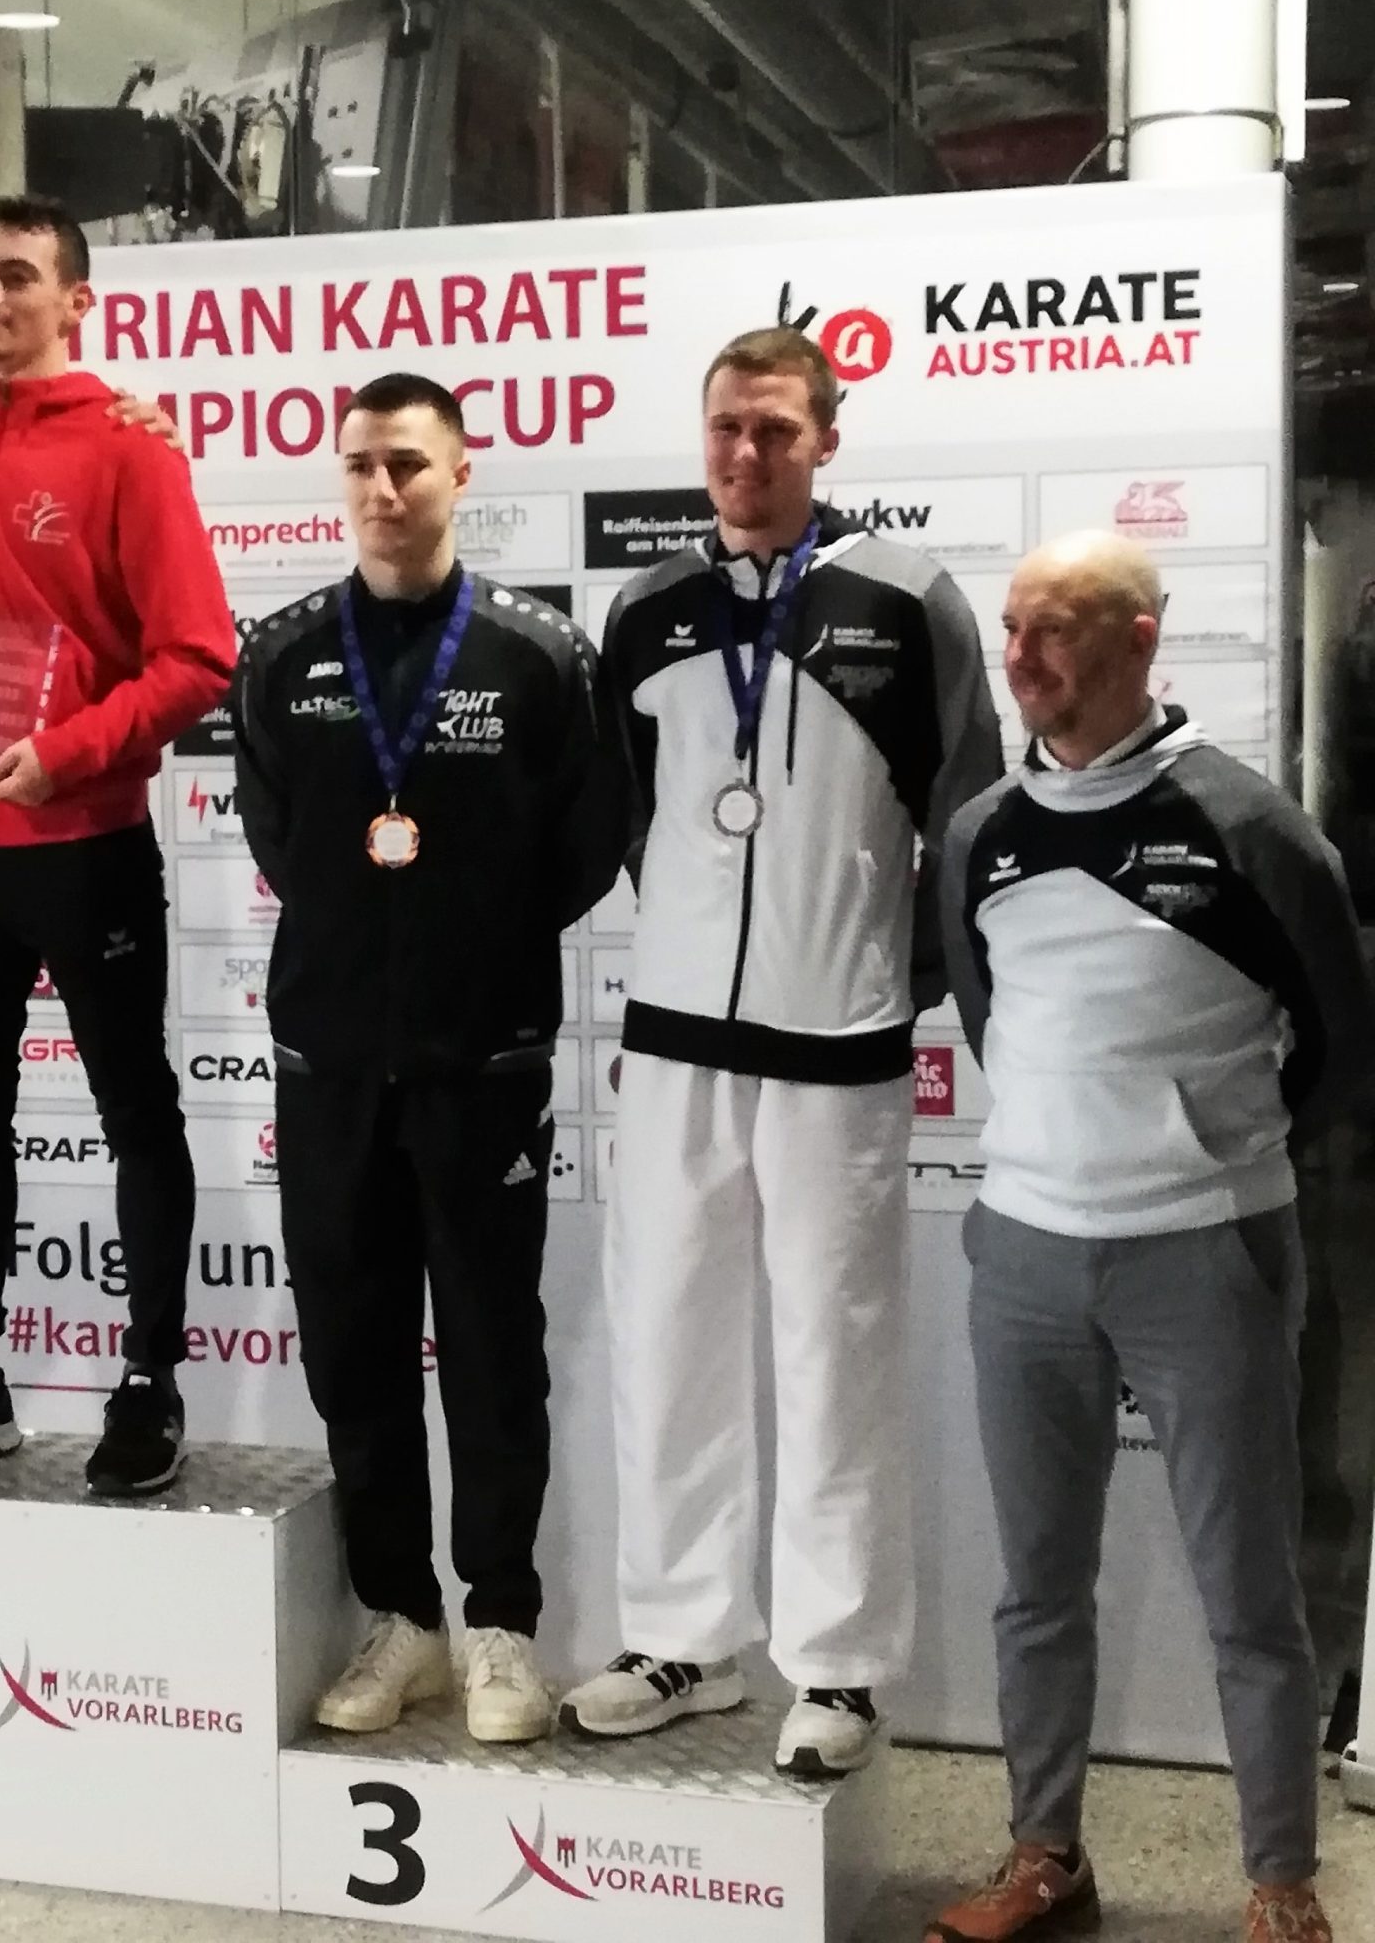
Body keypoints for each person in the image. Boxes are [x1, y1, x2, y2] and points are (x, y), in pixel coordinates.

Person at [564, 326, 1003, 1773]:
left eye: (773, 430)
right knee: (668, 1337)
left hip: (842, 1047)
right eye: (724, 429)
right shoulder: (648, 607)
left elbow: (968, 821)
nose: (744, 455)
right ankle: (680, 1638)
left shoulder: (907, 599)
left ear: (826, 439)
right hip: (677, 1045)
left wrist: (895, 980)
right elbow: (632, 817)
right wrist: (690, 956)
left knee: (837, 1349)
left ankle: (839, 1668)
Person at [929, 533, 1374, 1943]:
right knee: (1037, 1589)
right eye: (1011, 628)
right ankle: (1044, 1857)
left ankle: (1281, 1884)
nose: (1022, 658)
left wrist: (1204, 1149)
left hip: (1205, 1251)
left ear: (1139, 638)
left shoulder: (1251, 826)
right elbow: (989, 1017)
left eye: (1056, 630)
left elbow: (1340, 1045)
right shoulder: (979, 832)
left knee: (1249, 1591)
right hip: (1025, 1255)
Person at [231, 372, 624, 1742]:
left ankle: (501, 1624)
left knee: (493, 1352)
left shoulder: (538, 652)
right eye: (360, 464)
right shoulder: (282, 652)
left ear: (461, 472)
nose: (383, 487)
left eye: (407, 462)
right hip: (330, 1061)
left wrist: (472, 946)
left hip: (483, 1062)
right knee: (355, 1352)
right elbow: (279, 840)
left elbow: (586, 844)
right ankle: (401, 1619)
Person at [0, 195, 234, 1498]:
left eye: (18, 274)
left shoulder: (129, 449)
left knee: (136, 1110)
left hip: (80, 838)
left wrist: (66, 754)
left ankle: (150, 1383)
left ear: (77, 299)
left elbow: (199, 660)